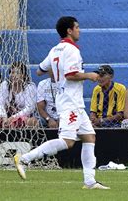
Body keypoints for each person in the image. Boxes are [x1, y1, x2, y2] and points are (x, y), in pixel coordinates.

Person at [13, 16, 109, 190]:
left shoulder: (55, 50)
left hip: (73, 103)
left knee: (89, 137)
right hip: (70, 102)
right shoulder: (72, 50)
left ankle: (90, 182)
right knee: (67, 141)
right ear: (69, 31)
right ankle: (24, 158)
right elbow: (71, 75)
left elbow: (40, 70)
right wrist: (90, 76)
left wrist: (58, 69)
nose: (80, 30)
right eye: (77, 27)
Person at [0, 61, 37, 128]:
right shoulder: (5, 84)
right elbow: (0, 103)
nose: (14, 75)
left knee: (32, 121)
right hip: (6, 115)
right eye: (12, 72)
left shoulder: (29, 86)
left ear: (23, 75)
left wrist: (13, 118)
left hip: (23, 116)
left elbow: (30, 108)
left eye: (18, 73)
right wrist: (4, 117)